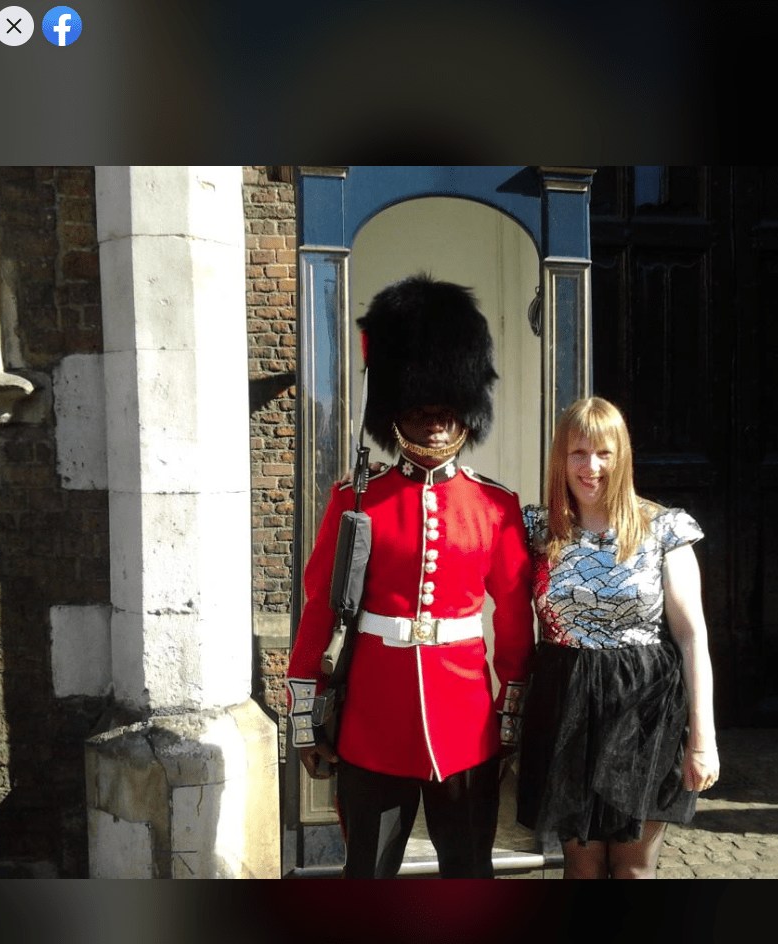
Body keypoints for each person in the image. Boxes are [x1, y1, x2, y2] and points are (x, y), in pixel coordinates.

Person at [286, 274, 534, 878]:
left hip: (467, 727)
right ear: (396, 413)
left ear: (465, 417)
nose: (434, 425)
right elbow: (319, 606)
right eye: (420, 413)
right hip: (374, 721)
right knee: (367, 874)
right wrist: (304, 717)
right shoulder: (354, 499)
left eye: (447, 413)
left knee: (468, 872)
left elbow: (514, 618)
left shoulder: (495, 506)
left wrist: (510, 715)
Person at [514, 397, 718, 879]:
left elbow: (692, 637)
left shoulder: (665, 528)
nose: (591, 467)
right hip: (564, 704)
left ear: (622, 455)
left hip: (646, 709)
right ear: (560, 459)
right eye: (578, 453)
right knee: (580, 868)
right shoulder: (536, 529)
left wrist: (703, 740)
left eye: (604, 453)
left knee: (633, 869)